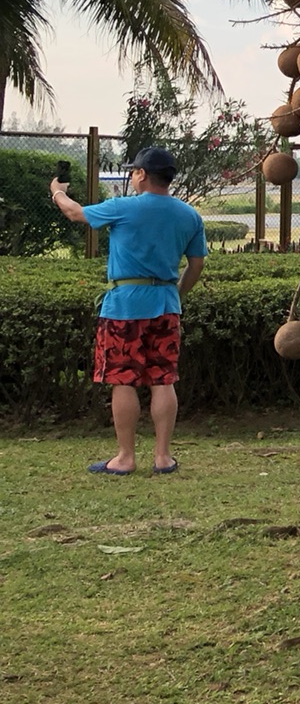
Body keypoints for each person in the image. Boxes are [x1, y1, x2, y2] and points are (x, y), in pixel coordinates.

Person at [51, 145, 207, 475]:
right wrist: (177, 292)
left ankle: (125, 457)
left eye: (134, 171)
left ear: (142, 175)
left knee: (123, 380)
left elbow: (75, 213)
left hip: (124, 306)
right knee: (163, 379)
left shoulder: (124, 208)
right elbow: (196, 264)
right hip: (166, 304)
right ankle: (163, 457)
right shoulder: (189, 215)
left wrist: (57, 193)